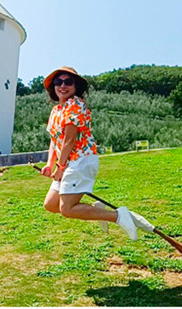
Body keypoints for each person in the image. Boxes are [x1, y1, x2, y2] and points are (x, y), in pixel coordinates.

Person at [40, 66, 149, 241]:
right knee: (51, 204)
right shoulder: (56, 110)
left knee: (67, 209)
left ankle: (118, 216)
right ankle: (98, 210)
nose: (62, 86)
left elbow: (69, 140)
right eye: (58, 82)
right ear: (53, 86)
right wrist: (49, 163)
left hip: (80, 160)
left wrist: (59, 167)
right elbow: (55, 140)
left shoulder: (76, 105)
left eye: (68, 82)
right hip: (66, 162)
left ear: (76, 86)